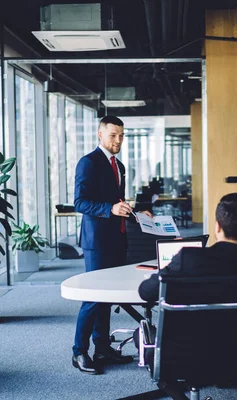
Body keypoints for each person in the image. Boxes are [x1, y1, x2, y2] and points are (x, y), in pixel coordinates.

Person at [72, 115, 151, 375]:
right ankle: (78, 352)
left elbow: (117, 200)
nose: (118, 140)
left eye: (121, 135)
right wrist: (110, 208)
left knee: (107, 298)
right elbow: (80, 202)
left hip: (117, 237)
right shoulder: (89, 162)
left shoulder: (120, 165)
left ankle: (102, 348)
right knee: (94, 297)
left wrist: (137, 211)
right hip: (97, 241)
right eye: (113, 135)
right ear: (100, 135)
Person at [139, 192, 237, 305]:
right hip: (232, 336)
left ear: (217, 226)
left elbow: (146, 292)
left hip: (182, 336)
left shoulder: (187, 258)